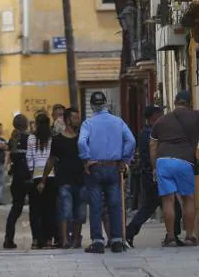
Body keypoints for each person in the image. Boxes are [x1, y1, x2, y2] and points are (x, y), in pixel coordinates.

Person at [150, 91, 199, 247]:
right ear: (189, 104)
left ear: (175, 102)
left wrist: (154, 167)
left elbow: (152, 145)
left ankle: (170, 237)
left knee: (168, 199)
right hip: (184, 161)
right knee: (188, 199)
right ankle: (190, 236)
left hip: (163, 161)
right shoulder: (196, 116)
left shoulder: (161, 121)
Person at [78, 91, 135, 254]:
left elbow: (82, 142)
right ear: (105, 104)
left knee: (96, 205)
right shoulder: (118, 122)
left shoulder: (88, 124)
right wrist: (125, 159)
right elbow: (131, 140)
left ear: (91, 106)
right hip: (113, 167)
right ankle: (117, 241)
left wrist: (86, 158)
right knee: (115, 205)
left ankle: (97, 242)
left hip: (95, 168)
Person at [126, 105, 182, 247]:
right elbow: (153, 154)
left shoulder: (148, 131)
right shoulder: (151, 133)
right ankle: (172, 235)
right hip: (154, 175)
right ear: (154, 116)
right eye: (160, 112)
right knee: (167, 207)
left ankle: (171, 235)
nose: (163, 114)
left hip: (153, 174)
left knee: (152, 207)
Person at [39, 107, 85, 248]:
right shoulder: (58, 140)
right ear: (67, 120)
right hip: (64, 180)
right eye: (74, 117)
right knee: (65, 210)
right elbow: (51, 160)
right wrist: (43, 179)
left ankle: (76, 239)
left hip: (81, 180)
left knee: (80, 212)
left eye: (78, 117)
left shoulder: (81, 139)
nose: (77, 120)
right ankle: (64, 239)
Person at [26, 112, 57, 249]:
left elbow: (29, 157)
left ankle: (36, 240)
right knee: (50, 209)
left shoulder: (32, 138)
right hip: (51, 176)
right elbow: (54, 158)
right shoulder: (53, 138)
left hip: (36, 177)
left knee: (35, 211)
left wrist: (33, 173)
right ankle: (49, 240)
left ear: (37, 124)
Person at [3, 114, 31, 249]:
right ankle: (39, 239)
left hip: (17, 178)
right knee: (36, 209)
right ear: (26, 124)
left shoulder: (12, 139)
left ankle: (8, 239)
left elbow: (10, 159)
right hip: (29, 176)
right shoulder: (30, 138)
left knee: (15, 209)